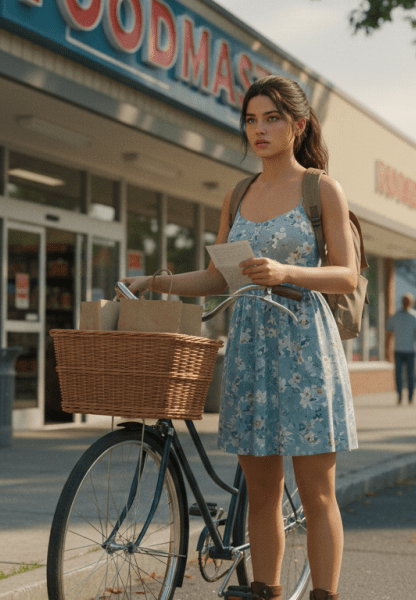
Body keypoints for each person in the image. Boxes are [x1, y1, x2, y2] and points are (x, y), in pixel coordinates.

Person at [119, 75, 357, 600]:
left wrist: (286, 271)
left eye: (271, 118)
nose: (259, 129)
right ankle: (266, 591)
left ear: (297, 125)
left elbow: (346, 274)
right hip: (250, 350)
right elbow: (216, 277)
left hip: (306, 349)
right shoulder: (240, 192)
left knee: (317, 493)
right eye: (251, 120)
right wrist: (156, 282)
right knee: (263, 492)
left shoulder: (321, 188)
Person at [385, 293, 416, 405]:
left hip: (411, 350)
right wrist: (387, 350)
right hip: (398, 350)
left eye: (408, 301)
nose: (406, 303)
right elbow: (388, 333)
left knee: (410, 375)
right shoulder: (396, 316)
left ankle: (410, 397)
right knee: (398, 375)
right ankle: (399, 396)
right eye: (404, 301)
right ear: (402, 302)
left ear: (411, 303)